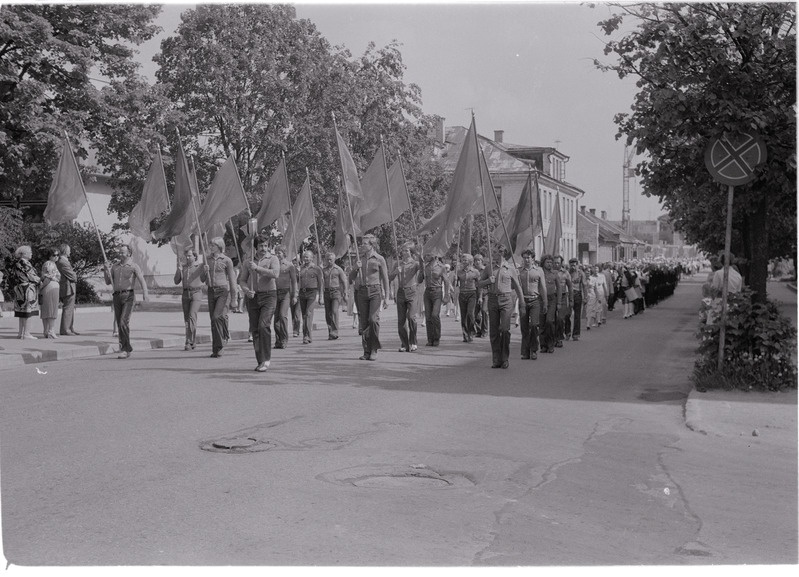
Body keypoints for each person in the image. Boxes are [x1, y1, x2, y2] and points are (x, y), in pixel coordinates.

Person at [238, 235, 280, 372]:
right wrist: (246, 290)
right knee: (255, 330)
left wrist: (257, 268)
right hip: (253, 297)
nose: (263, 248)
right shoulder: (247, 262)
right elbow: (242, 280)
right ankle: (260, 360)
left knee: (264, 325)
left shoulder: (273, 259)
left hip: (269, 296)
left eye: (266, 246)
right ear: (256, 247)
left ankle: (266, 359)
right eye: (261, 246)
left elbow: (275, 273)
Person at [478, 247, 524, 368]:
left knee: (504, 329)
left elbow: (518, 287)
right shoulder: (489, 268)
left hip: (506, 300)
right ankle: (496, 359)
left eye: (496, 252)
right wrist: (488, 280)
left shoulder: (510, 269)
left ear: (503, 254)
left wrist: (522, 303)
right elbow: (479, 283)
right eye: (492, 252)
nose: (493, 254)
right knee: (494, 331)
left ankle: (505, 358)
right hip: (493, 299)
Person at [103, 244, 148, 358]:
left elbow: (142, 280)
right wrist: (105, 270)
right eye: (120, 251)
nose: (120, 254)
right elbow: (108, 281)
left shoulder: (133, 266)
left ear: (128, 253)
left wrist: (145, 293)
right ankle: (125, 347)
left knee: (123, 322)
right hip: (117, 296)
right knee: (120, 323)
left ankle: (124, 348)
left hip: (128, 296)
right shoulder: (115, 266)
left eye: (122, 252)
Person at [349, 234, 389, 360]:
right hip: (361, 292)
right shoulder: (359, 259)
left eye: (365, 243)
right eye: (361, 243)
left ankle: (374, 348)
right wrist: (355, 268)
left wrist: (387, 297)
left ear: (372, 245)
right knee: (364, 322)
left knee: (373, 320)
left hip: (375, 291)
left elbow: (386, 279)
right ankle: (366, 351)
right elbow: (351, 278)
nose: (362, 245)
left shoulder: (379, 259)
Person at [201, 236, 237, 358]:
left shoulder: (226, 260)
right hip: (211, 291)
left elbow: (232, 280)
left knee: (217, 317)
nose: (210, 247)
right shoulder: (207, 260)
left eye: (213, 245)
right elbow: (201, 279)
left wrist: (234, 299)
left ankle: (221, 345)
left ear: (219, 247)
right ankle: (216, 348)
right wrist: (204, 271)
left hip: (222, 291)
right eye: (210, 245)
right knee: (213, 319)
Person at [393, 242, 423, 352]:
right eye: (403, 250)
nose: (404, 252)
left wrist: (421, 257)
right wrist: (396, 272)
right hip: (401, 292)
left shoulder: (415, 264)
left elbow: (422, 270)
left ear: (411, 252)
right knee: (401, 320)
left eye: (406, 250)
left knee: (411, 317)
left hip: (412, 291)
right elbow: (390, 277)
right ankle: (404, 343)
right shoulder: (398, 263)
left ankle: (413, 341)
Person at [517, 249, 547, 360]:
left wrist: (545, 303)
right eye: (524, 257)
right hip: (523, 300)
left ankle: (534, 350)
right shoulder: (519, 271)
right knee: (524, 327)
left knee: (534, 325)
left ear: (533, 258)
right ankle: (525, 351)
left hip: (535, 300)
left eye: (528, 257)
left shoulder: (539, 271)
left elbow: (543, 287)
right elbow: (514, 286)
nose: (526, 259)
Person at [174, 247, 205, 350]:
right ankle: (192, 339)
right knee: (187, 319)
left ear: (195, 256)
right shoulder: (184, 267)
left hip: (196, 292)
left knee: (192, 316)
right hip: (185, 293)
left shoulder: (199, 267)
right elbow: (176, 281)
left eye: (189, 255)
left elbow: (205, 278)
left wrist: (206, 269)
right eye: (186, 255)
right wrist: (179, 270)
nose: (187, 257)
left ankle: (189, 340)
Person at [10, 245, 41, 340]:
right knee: (28, 311)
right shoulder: (24, 263)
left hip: (20, 289)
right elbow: (31, 276)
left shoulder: (17, 263)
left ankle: (21, 333)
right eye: (30, 252)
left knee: (21, 312)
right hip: (27, 289)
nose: (31, 254)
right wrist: (40, 280)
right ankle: (27, 333)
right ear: (24, 254)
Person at [422, 253, 450, 346]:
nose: (426, 256)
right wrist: (421, 270)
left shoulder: (441, 267)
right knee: (428, 316)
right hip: (427, 292)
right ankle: (430, 339)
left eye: (428, 255)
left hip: (437, 292)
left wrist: (446, 295)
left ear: (434, 255)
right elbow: (419, 280)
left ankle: (437, 337)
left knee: (435, 315)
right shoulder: (425, 266)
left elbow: (446, 282)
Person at [272, 245, 298, 349]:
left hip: (285, 293)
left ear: (284, 253)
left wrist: (295, 295)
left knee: (283, 316)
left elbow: (294, 281)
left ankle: (284, 339)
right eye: (276, 252)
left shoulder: (289, 265)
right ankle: (278, 340)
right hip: (274, 293)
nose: (278, 254)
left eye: (280, 252)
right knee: (276, 320)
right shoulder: (273, 264)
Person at [298, 250, 324, 344]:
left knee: (309, 313)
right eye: (304, 257)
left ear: (312, 258)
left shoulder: (317, 269)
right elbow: (297, 281)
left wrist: (321, 296)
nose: (306, 259)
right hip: (302, 293)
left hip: (312, 292)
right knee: (304, 315)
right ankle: (306, 334)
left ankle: (307, 336)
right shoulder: (300, 268)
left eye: (307, 257)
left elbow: (321, 284)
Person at [538, 255, 562, 353]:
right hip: (540, 299)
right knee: (542, 323)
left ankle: (550, 344)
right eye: (547, 262)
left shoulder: (555, 273)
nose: (549, 264)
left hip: (552, 299)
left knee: (549, 321)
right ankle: (543, 345)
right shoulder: (539, 273)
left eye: (551, 262)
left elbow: (559, 288)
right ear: (543, 263)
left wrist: (559, 302)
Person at [322, 251, 348, 340]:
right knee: (328, 314)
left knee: (334, 311)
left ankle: (335, 332)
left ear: (334, 260)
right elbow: (321, 282)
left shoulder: (338, 269)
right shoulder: (323, 270)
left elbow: (344, 281)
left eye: (331, 260)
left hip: (336, 292)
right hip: (326, 292)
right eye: (327, 259)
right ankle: (330, 331)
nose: (329, 261)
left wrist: (345, 293)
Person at [55, 243, 79, 335]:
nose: (70, 251)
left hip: (70, 287)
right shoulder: (62, 262)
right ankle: (65, 329)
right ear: (65, 251)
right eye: (69, 250)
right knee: (68, 308)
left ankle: (70, 327)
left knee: (71, 308)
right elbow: (72, 276)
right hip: (67, 288)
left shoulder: (64, 261)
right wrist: (75, 276)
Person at [456, 253, 480, 342]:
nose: (464, 261)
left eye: (465, 260)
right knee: (463, 315)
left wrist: (480, 296)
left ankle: (471, 331)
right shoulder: (458, 271)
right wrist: (455, 279)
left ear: (470, 261)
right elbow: (454, 283)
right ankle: (465, 335)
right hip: (462, 294)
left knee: (470, 313)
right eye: (462, 260)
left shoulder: (475, 272)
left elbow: (479, 285)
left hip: (472, 294)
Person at [38, 247, 61, 339]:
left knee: (46, 310)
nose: (56, 257)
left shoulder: (50, 264)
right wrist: (42, 287)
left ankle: (46, 331)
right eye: (54, 255)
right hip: (51, 288)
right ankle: (51, 330)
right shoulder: (50, 264)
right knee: (51, 310)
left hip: (49, 288)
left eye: (57, 255)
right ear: (49, 256)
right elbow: (47, 277)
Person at [554, 256, 572, 347]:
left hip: (563, 297)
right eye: (555, 262)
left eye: (558, 262)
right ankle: (554, 338)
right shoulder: (551, 272)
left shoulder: (566, 273)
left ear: (561, 263)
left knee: (560, 319)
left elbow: (570, 287)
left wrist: (571, 300)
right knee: (552, 320)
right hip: (553, 297)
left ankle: (559, 338)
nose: (556, 264)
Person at [567, 258, 587, 341]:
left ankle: (576, 334)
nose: (573, 267)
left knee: (577, 316)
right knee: (567, 315)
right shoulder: (567, 273)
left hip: (577, 294)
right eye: (571, 265)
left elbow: (584, 285)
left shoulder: (581, 273)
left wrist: (585, 297)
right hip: (568, 295)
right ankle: (567, 331)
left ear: (577, 265)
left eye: (574, 265)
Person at [473, 253, 488, 337]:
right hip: (474, 292)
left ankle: (485, 331)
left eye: (479, 260)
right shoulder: (473, 270)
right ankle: (478, 330)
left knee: (484, 311)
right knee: (474, 314)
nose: (477, 262)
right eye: (475, 260)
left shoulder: (485, 270)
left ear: (482, 261)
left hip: (485, 293)